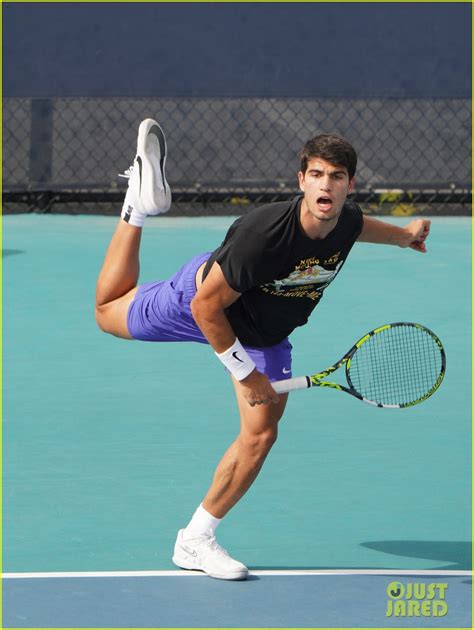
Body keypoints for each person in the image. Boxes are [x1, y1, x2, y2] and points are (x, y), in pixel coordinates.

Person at [95, 119, 430, 581]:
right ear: (301, 181)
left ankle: (195, 539)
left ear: (350, 185)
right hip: (202, 302)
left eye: (335, 176)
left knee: (261, 434)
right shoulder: (264, 236)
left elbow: (357, 228)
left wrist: (405, 235)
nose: (325, 185)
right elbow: (206, 306)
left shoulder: (345, 219)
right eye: (316, 175)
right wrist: (245, 374)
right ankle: (136, 207)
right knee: (107, 313)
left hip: (266, 335)